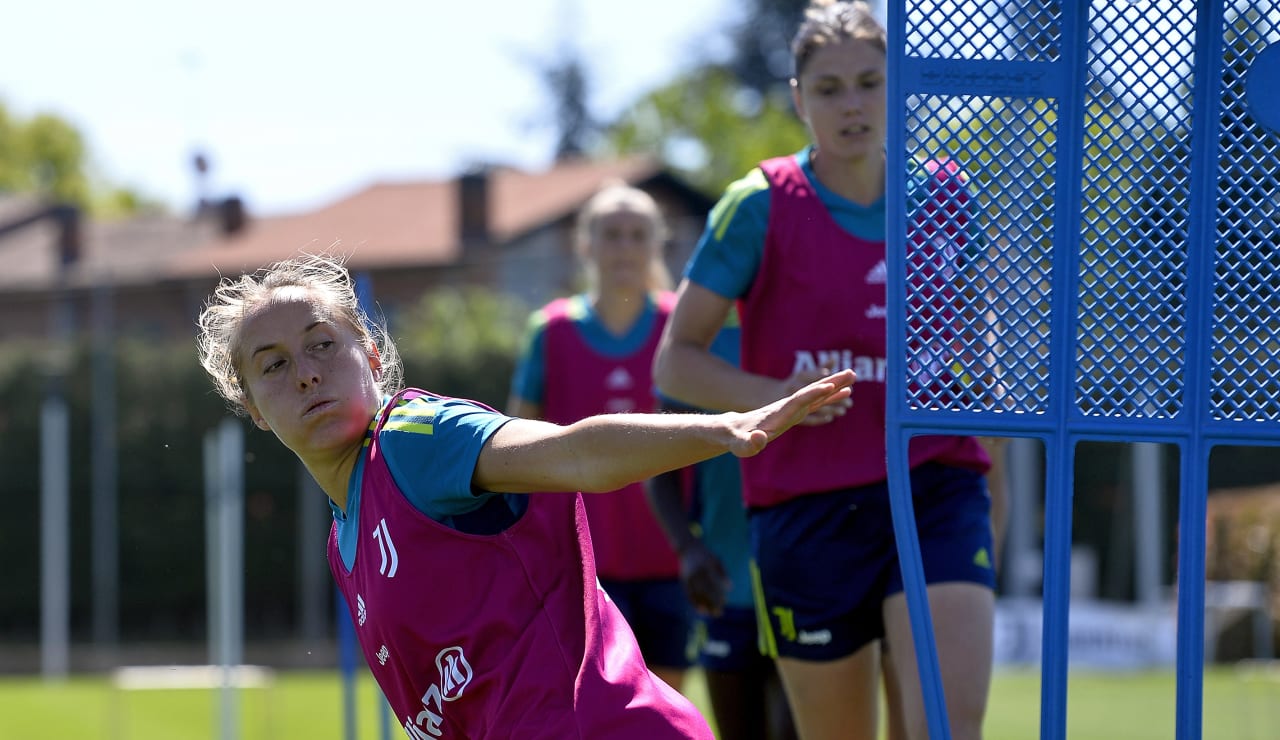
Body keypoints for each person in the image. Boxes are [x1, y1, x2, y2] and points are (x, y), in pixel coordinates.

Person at [195, 252, 854, 739]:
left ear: (370, 357)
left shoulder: (415, 437)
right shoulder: (345, 539)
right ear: (252, 407)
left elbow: (574, 453)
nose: (307, 373)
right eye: (275, 364)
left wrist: (722, 429)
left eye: (321, 345)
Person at [652, 3, 1000, 740]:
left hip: (934, 484)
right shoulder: (759, 204)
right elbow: (676, 361)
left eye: (871, 83)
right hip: (805, 505)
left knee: (946, 727)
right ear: (799, 98)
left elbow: (978, 338)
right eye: (831, 88)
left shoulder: (946, 193)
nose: (853, 104)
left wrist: (992, 423)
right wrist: (774, 400)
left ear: (896, 88)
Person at [507, 182, 694, 690]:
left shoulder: (683, 328)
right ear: (585, 244)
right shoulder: (551, 330)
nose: (625, 247)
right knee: (597, 708)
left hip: (675, 561)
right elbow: (515, 448)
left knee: (666, 709)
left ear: (657, 244)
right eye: (611, 234)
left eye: (638, 234)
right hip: (581, 569)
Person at [645, 307, 799, 740]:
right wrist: (687, 547)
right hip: (727, 586)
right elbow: (658, 467)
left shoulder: (809, 331)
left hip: (809, 581)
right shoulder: (701, 350)